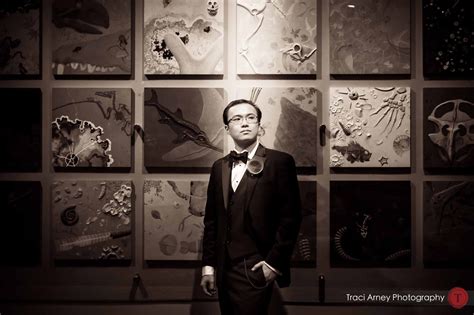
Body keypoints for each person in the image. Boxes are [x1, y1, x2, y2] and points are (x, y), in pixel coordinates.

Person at [201, 99, 302, 314]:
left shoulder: (280, 162)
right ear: (227, 129)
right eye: (237, 119)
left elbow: (291, 218)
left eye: (250, 118)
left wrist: (273, 264)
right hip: (223, 269)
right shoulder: (218, 167)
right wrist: (208, 267)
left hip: (256, 265)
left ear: (259, 125)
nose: (245, 123)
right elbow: (211, 221)